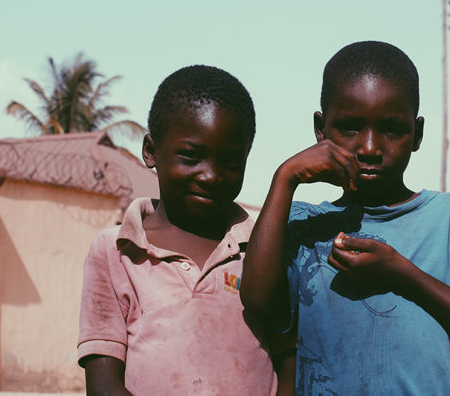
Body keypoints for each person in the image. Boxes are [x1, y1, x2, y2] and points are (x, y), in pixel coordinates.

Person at [240, 41, 450, 395]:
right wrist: (285, 177)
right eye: (350, 127)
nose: (369, 148)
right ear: (321, 129)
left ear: (417, 134)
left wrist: (402, 274)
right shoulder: (305, 223)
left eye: (392, 129)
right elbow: (256, 300)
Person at [78, 65, 295, 396]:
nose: (211, 176)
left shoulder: (260, 250)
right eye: (191, 156)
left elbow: (289, 360)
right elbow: (103, 384)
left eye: (231, 163)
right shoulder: (116, 250)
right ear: (151, 151)